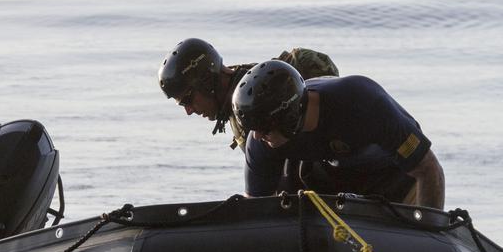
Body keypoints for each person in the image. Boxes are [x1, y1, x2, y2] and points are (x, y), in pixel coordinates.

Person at [231, 59, 445, 208]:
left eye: (263, 128)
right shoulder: (261, 143)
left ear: (287, 116)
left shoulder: (362, 102)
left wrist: (429, 229)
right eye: (252, 129)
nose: (257, 136)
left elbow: (428, 168)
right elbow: (255, 206)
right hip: (332, 182)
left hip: (394, 178)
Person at [158, 38, 338, 149]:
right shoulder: (235, 102)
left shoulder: (260, 92)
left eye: (188, 100)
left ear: (206, 82)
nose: (189, 111)